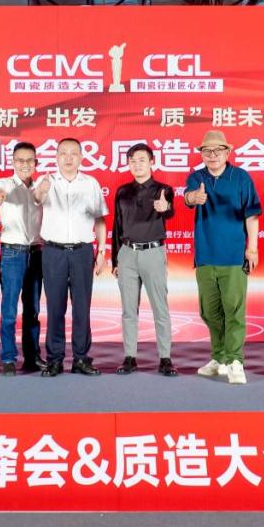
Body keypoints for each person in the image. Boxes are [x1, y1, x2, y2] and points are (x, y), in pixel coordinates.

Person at [186, 130, 261, 385]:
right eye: (207, 151)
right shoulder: (197, 177)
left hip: (233, 256)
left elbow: (252, 215)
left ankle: (235, 360)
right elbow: (188, 197)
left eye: (218, 150)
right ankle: (218, 358)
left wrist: (252, 248)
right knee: (210, 312)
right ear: (201, 154)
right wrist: (194, 197)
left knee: (234, 310)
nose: (212, 155)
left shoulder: (240, 177)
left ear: (227, 152)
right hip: (205, 256)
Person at [35, 137, 108, 377]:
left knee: (82, 308)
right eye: (63, 153)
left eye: (73, 153)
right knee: (55, 308)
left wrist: (102, 251)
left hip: (82, 252)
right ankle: (55, 359)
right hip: (53, 252)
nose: (68, 158)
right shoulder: (46, 181)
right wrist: (42, 189)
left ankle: (81, 358)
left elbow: (99, 218)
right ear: (56, 157)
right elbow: (37, 198)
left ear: (81, 157)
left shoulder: (90, 183)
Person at [112, 143, 177, 376]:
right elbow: (117, 226)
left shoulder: (164, 189)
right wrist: (115, 260)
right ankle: (129, 357)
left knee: (160, 308)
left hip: (153, 253)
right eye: (132, 160)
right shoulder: (122, 192)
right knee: (128, 309)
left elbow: (170, 211)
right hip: (127, 253)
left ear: (152, 162)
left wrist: (165, 207)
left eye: (141, 160)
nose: (137, 164)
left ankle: (165, 358)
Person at [0, 141, 44, 376]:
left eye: (29, 160)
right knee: (9, 309)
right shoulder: (4, 183)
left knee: (32, 309)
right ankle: (8, 358)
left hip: (36, 252)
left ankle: (32, 357)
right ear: (13, 162)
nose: (25, 164)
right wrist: (0, 197)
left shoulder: (41, 186)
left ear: (36, 162)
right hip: (13, 252)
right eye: (20, 160)